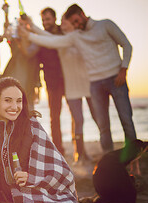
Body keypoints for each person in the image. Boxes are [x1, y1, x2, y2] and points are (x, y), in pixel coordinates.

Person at [0, 77, 107, 203]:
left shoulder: (31, 125)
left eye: (19, 101)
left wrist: (31, 177)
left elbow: (60, 168)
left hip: (41, 196)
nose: (15, 107)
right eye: (8, 101)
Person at [19, 4, 137, 153]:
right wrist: (28, 32)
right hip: (93, 83)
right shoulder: (75, 36)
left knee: (126, 120)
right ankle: (109, 159)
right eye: (72, 23)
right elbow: (51, 40)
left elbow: (126, 45)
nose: (76, 25)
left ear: (81, 14)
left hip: (113, 79)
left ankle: (134, 157)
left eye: (75, 21)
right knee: (103, 125)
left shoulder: (104, 25)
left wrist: (123, 69)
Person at [36, 7, 66, 155]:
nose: (45, 22)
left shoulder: (64, 31)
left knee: (76, 114)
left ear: (55, 18)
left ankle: (79, 149)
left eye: (47, 19)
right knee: (54, 117)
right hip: (52, 81)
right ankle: (59, 150)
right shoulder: (40, 38)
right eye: (43, 20)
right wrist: (38, 84)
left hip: (69, 79)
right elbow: (38, 62)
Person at [1, 3, 41, 111]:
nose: (21, 28)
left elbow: (27, 53)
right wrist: (6, 14)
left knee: (28, 114)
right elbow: (7, 31)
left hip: (28, 86)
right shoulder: (15, 41)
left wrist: (23, 36)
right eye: (20, 25)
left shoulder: (35, 42)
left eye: (24, 25)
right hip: (12, 85)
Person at [92, 139, 148, 203]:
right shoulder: (132, 153)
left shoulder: (115, 155)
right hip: (106, 185)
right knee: (130, 199)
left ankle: (108, 198)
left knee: (130, 194)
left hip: (100, 185)